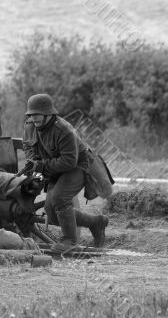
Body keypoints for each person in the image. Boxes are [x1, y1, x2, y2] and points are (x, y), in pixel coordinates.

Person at [22, 93, 109, 252]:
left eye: (37, 114)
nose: (34, 118)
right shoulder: (29, 126)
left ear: (49, 114)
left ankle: (69, 241)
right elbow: (27, 146)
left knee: (60, 198)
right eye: (31, 114)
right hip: (54, 168)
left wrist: (40, 166)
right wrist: (31, 161)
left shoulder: (63, 130)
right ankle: (96, 223)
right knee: (52, 213)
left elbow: (69, 161)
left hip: (78, 166)